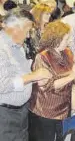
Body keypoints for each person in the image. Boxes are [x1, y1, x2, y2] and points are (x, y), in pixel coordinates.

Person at [0, 9, 52, 141]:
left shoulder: (18, 46)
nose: (29, 36)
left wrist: (35, 79)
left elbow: (21, 75)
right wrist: (33, 76)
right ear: (15, 28)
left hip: (21, 111)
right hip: (5, 115)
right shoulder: (1, 48)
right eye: (27, 31)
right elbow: (3, 85)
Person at [29, 21, 75, 141]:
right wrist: (73, 74)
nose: (68, 42)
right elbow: (47, 85)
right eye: (66, 39)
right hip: (47, 110)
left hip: (64, 106)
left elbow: (73, 75)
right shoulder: (42, 57)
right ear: (56, 39)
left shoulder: (67, 52)